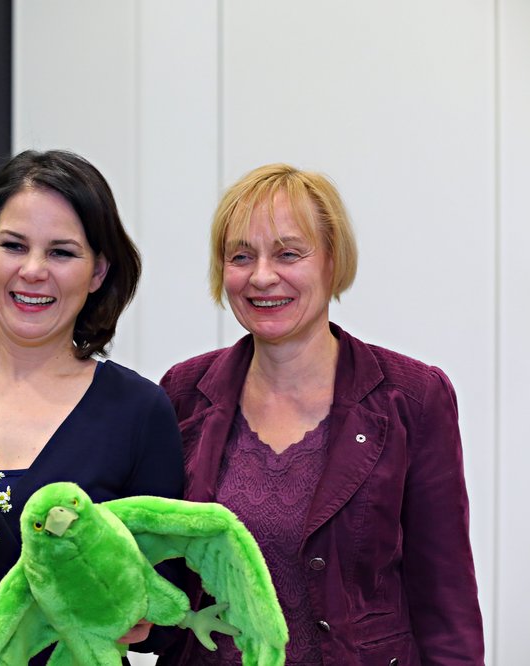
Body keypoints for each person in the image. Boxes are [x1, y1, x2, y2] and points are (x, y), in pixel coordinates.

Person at [157, 163, 484, 665]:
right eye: (241, 256)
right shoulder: (183, 393)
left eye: (289, 253)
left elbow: (446, 605)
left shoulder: (412, 398)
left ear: (333, 262)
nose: (263, 276)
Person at [0, 149, 185, 664]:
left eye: (62, 253)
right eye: (14, 245)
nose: (32, 271)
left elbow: (166, 610)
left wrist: (133, 611)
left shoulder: (139, 413)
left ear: (99, 272)